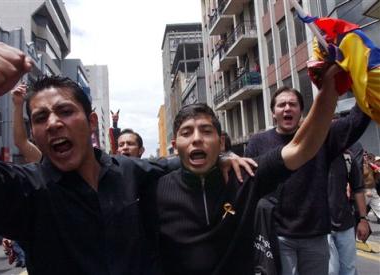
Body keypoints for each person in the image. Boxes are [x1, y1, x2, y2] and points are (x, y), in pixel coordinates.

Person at [0, 42, 250, 274]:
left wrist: (222, 156)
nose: (54, 123)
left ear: (92, 122)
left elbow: (181, 161)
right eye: (41, 117)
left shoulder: (129, 171)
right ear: (33, 131)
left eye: (65, 111)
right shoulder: (28, 191)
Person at [156, 62, 343, 275]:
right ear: (175, 145)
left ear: (221, 142)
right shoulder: (156, 189)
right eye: (187, 132)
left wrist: (329, 87)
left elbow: (301, 148)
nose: (197, 138)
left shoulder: (245, 176)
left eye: (206, 131)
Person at [245, 85, 371, 275]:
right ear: (273, 113)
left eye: (292, 104)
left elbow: (354, 122)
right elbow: (247, 186)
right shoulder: (257, 142)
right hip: (277, 236)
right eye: (281, 105)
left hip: (316, 236)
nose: (287, 108)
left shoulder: (319, 136)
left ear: (301, 111)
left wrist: (369, 85)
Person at [327, 142, 370, 275]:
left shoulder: (348, 157)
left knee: (349, 270)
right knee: (331, 271)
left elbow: (358, 189)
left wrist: (363, 219)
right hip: (321, 226)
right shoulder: (310, 154)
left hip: (345, 224)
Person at [11, 83, 42, 163]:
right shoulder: (47, 162)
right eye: (41, 119)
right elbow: (21, 142)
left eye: (66, 112)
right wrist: (18, 105)